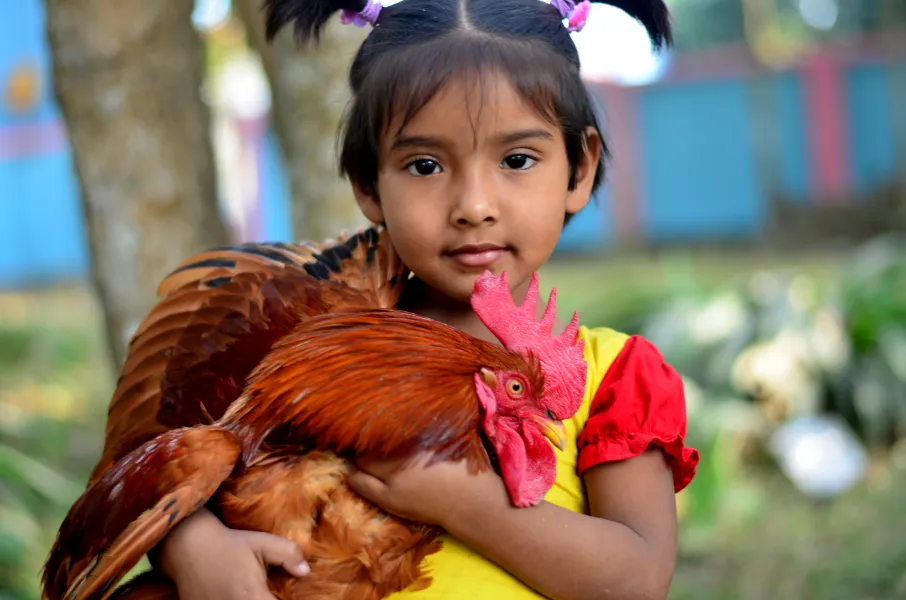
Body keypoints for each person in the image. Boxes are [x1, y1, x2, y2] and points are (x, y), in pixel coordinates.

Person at [155, 0, 699, 598]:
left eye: (517, 159)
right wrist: (192, 546)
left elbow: (638, 582)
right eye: (424, 164)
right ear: (367, 183)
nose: (473, 204)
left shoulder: (613, 379)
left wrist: (468, 504)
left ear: (579, 168)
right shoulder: (317, 346)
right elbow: (165, 472)